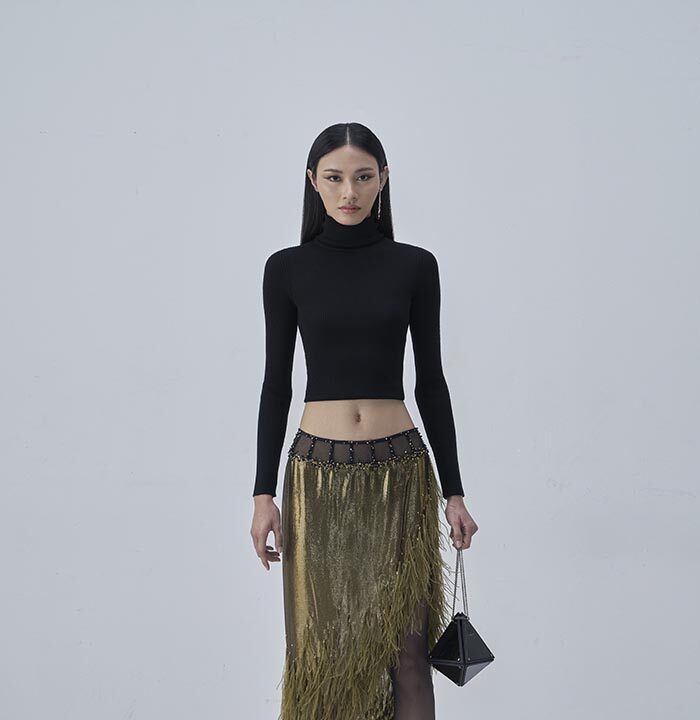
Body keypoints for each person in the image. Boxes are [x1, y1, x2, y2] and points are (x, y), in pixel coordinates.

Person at [250, 122, 479, 720]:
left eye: (362, 177)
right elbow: (276, 386)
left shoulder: (415, 266)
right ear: (313, 182)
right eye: (334, 178)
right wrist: (262, 494)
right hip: (316, 479)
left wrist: (454, 492)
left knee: (409, 655)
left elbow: (431, 382)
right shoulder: (286, 269)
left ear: (383, 180)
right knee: (322, 653)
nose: (348, 191)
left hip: (400, 475)